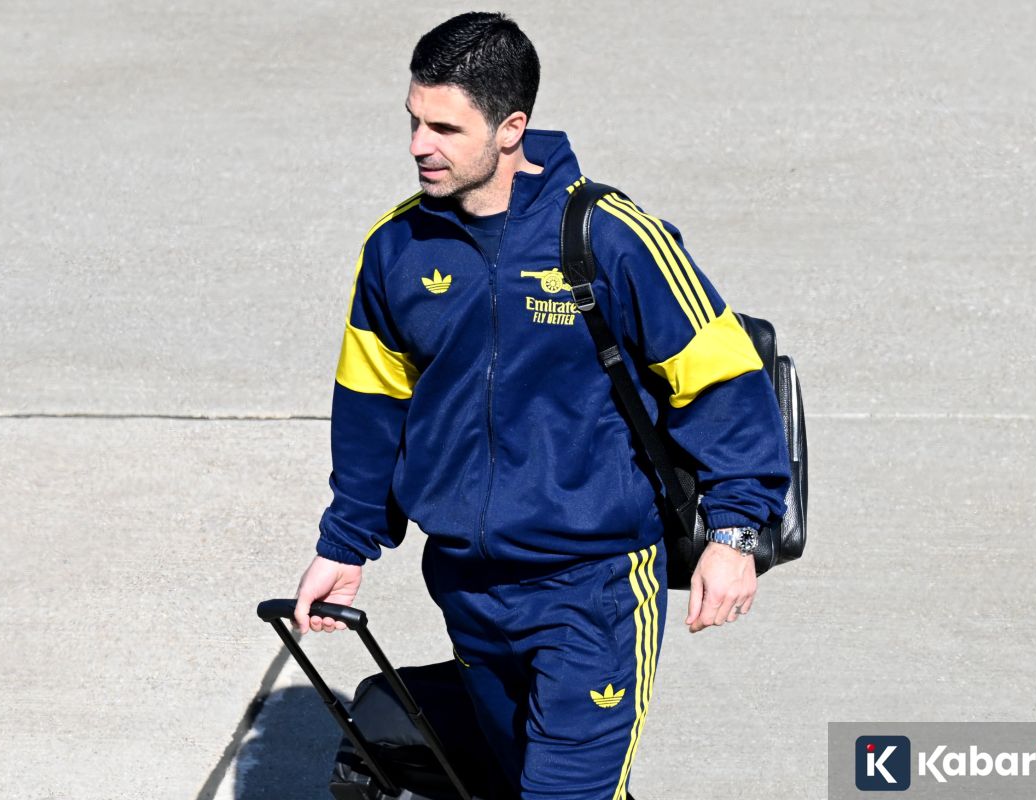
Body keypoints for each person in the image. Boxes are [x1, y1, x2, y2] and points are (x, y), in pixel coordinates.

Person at [293, 12, 791, 799]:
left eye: (445, 128)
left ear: (511, 129)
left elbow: (725, 381)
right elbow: (371, 409)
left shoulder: (612, 238)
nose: (419, 144)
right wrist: (345, 544)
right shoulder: (396, 248)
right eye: (414, 121)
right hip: (467, 586)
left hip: (594, 586)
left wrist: (736, 534)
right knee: (516, 780)